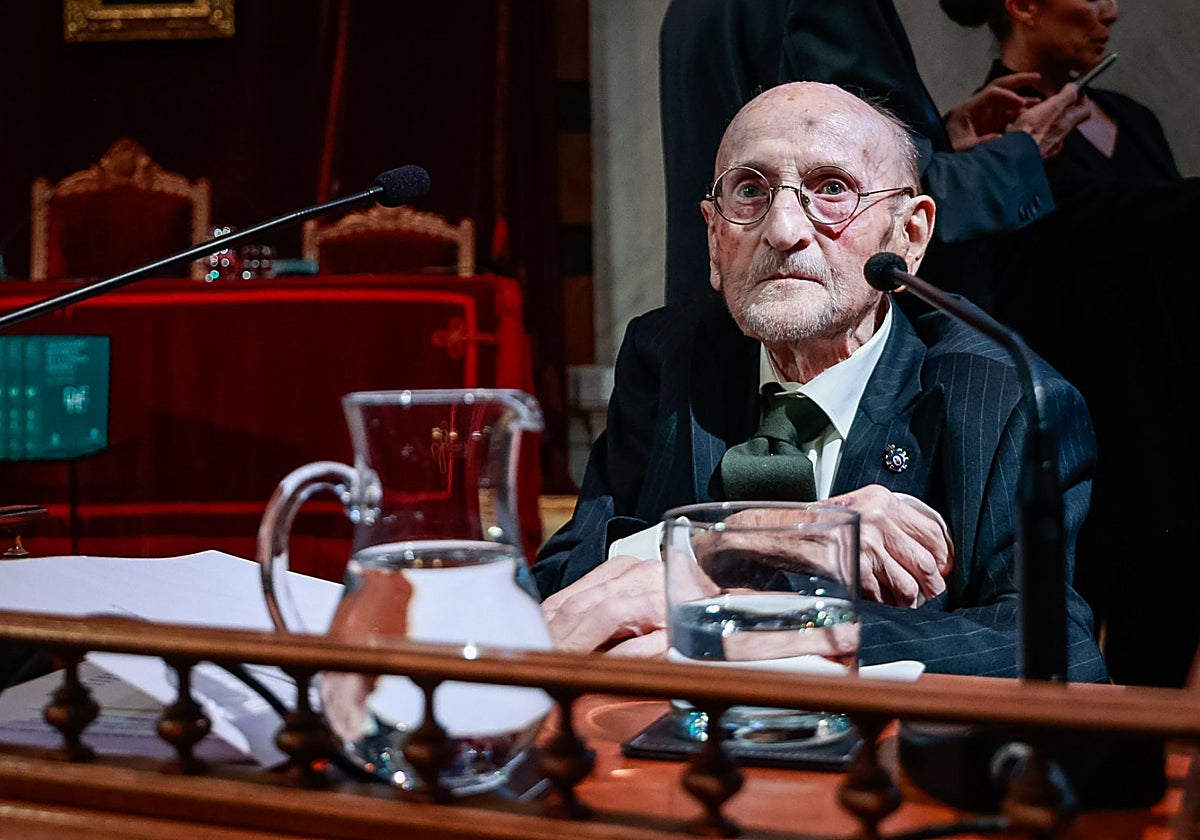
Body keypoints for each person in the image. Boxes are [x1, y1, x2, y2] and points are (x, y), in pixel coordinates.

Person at [533, 81, 1108, 683]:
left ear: (908, 237)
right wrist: (743, 535)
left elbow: (1059, 653)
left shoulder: (1003, 397)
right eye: (750, 190)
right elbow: (566, 587)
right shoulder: (669, 356)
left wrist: (774, 634)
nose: (783, 230)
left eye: (831, 189)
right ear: (712, 237)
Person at [940, 0, 1199, 688]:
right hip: (1070, 446)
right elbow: (1108, 218)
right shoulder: (988, 138)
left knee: (1160, 676)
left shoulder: (1133, 119)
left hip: (1164, 449)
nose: (1111, 8)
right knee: (1064, 685)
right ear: (1024, 5)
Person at [658, 0, 1091, 310]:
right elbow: (871, 204)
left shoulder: (686, 9)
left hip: (729, 331)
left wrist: (941, 137)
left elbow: (791, 149)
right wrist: (1022, 153)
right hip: (803, 338)